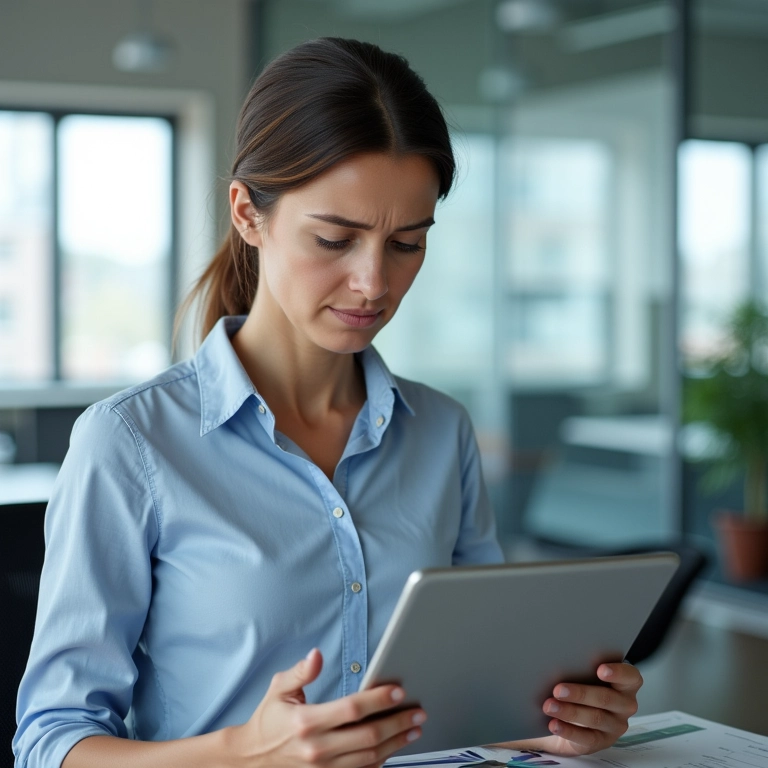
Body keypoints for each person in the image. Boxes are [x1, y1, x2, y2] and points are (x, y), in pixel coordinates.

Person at [13, 37, 642, 768]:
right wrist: (245, 752)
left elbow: (476, 692)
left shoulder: (443, 431)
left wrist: (554, 717)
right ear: (249, 215)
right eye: (336, 239)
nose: (374, 283)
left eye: (407, 243)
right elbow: (51, 741)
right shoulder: (130, 443)